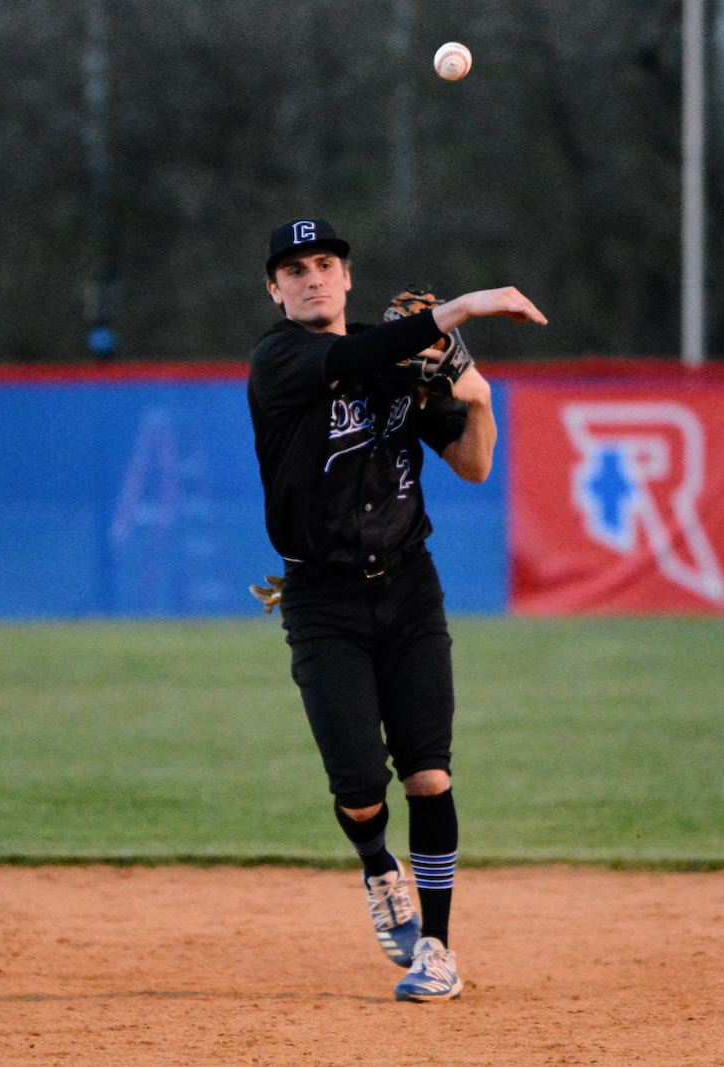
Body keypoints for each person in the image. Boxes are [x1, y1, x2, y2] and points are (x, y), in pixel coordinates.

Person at [246, 218, 546, 1002]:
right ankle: (379, 866)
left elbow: (474, 464)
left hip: (409, 587)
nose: (313, 277)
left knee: (429, 774)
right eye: (294, 269)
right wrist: (463, 308)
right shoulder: (280, 359)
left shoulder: (400, 365)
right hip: (322, 598)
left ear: (347, 277)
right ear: (274, 290)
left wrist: (476, 394)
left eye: (325, 263)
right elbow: (353, 358)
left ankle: (437, 948)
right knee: (359, 790)